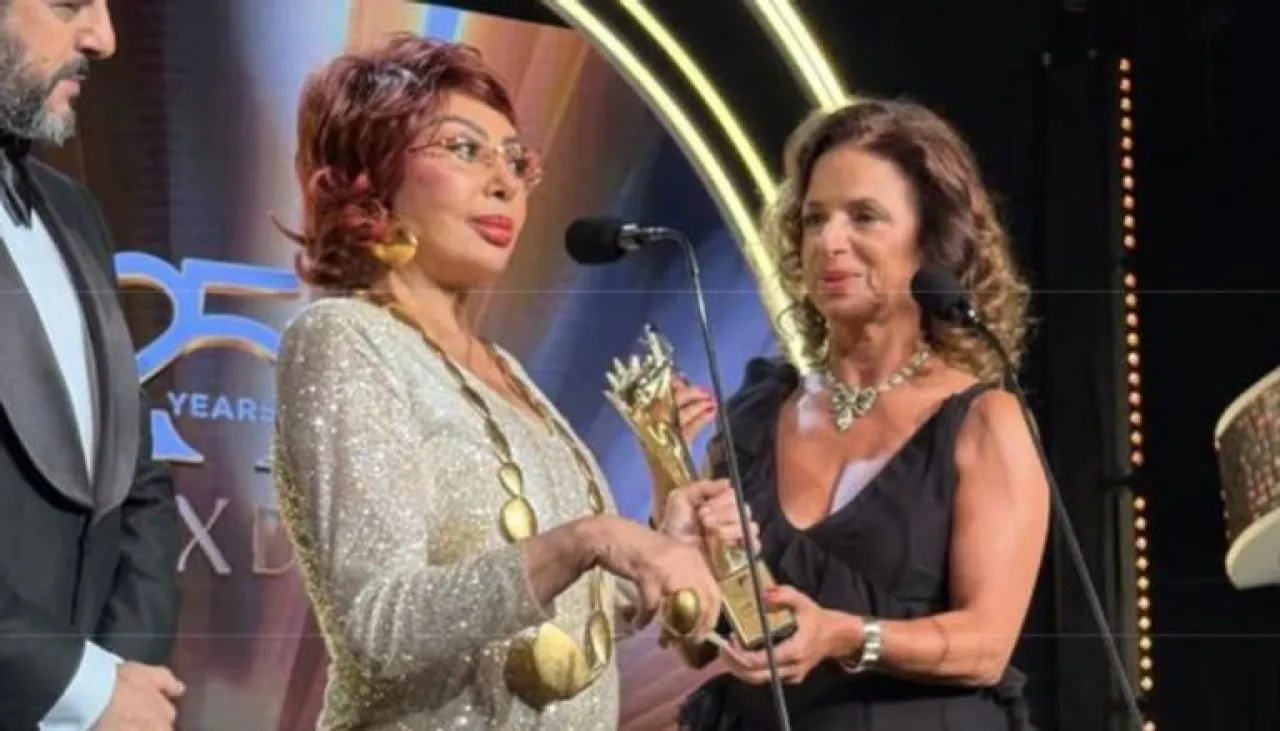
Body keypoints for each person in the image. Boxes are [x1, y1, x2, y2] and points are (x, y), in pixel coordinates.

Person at [271, 35, 735, 730]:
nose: (504, 182)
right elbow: (377, 625)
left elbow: (552, 633)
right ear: (371, 175)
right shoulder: (344, 337)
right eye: (464, 148)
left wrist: (657, 548)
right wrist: (592, 538)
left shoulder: (508, 371)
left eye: (517, 160)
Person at [675, 99, 1050, 730]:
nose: (830, 241)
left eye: (864, 217)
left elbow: (987, 647)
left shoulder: (983, 421)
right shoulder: (755, 415)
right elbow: (702, 641)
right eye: (814, 218)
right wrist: (675, 511)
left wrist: (846, 635)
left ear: (930, 242)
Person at [0, 1, 184, 729]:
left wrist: (120, 677)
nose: (103, 39)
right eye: (69, 3)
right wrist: (77, 687)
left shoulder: (74, 209)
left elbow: (136, 476)